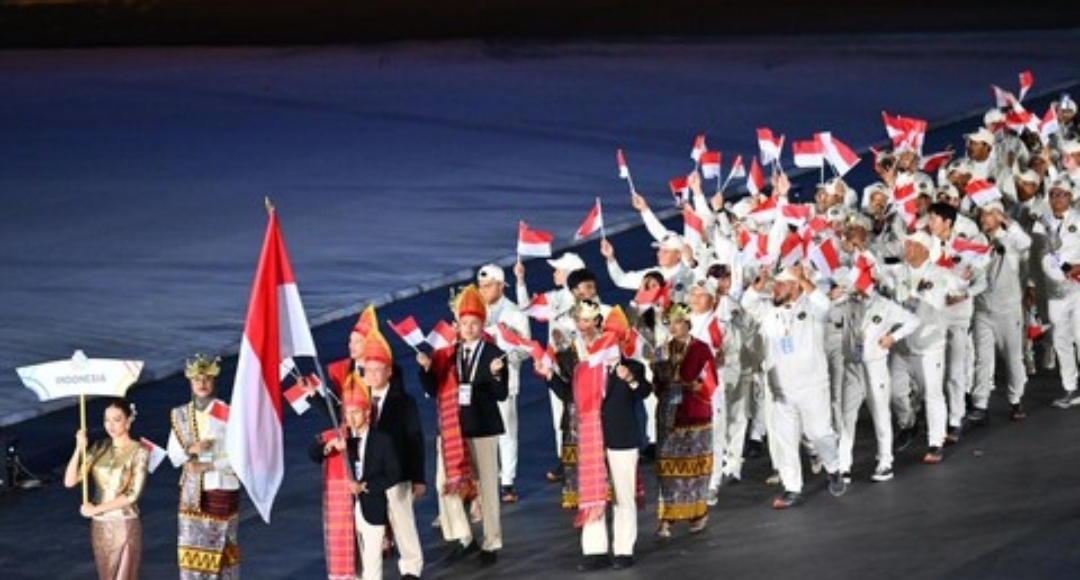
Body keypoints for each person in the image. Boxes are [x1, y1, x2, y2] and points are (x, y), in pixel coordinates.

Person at [543, 305, 651, 571]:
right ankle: (595, 551)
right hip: (592, 439)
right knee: (593, 495)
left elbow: (645, 392)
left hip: (621, 438)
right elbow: (570, 395)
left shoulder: (632, 366)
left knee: (623, 496)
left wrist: (631, 380)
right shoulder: (585, 369)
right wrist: (549, 377)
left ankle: (624, 550)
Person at [741, 265, 848, 508]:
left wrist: (803, 278)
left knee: (820, 434)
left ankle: (833, 468)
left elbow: (824, 304)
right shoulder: (770, 311)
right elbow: (749, 302)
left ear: (795, 286)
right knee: (786, 441)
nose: (774, 288)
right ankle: (792, 487)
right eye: (774, 284)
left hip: (813, 386)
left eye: (780, 284)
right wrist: (760, 282)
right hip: (782, 390)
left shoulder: (812, 309)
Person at [418, 284, 508, 566]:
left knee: (487, 487)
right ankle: (464, 536)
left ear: (482, 324)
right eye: (464, 323)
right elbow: (433, 389)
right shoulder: (446, 354)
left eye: (474, 323)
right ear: (457, 325)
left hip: (482, 429)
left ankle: (491, 542)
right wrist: (426, 370)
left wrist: (495, 376)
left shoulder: (493, 353)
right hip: (453, 430)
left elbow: (501, 394)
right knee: (448, 483)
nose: (468, 328)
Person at [310, 380, 400, 580]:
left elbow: (393, 473)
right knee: (352, 559)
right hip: (343, 509)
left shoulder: (382, 440)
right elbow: (313, 453)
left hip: (372, 505)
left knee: (372, 561)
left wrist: (365, 487)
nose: (350, 418)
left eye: (356, 413)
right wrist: (329, 447)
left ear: (367, 414)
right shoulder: (339, 437)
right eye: (347, 413)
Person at [166, 354, 241, 579]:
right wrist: (191, 450)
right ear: (190, 382)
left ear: (213, 380)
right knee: (194, 554)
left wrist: (209, 466)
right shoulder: (180, 415)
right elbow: (174, 455)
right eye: (197, 379)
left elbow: (240, 454)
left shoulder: (227, 412)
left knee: (221, 551)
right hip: (192, 492)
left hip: (221, 487)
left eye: (206, 378)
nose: (202, 383)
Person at [64, 398, 149, 580]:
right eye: (106, 420)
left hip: (124, 521)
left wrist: (96, 509)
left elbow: (132, 494)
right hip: (99, 526)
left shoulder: (139, 451)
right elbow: (70, 481)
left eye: (116, 419)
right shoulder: (99, 447)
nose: (110, 425)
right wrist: (79, 450)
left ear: (128, 420)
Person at [653, 302, 715, 533]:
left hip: (695, 413)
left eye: (679, 322)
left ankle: (698, 513)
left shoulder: (701, 349)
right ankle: (666, 517)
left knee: (695, 468)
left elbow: (710, 379)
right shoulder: (661, 351)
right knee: (667, 468)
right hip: (669, 415)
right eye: (671, 322)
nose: (674, 327)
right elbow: (656, 385)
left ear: (688, 323)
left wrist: (695, 386)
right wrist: (664, 378)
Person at [476, 263, 531, 503]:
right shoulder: (475, 312)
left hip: (505, 380)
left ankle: (507, 481)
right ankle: (483, 480)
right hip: (478, 381)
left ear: (500, 285)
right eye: (480, 287)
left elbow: (526, 350)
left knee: (507, 433)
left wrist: (508, 348)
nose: (483, 291)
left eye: (487, 286)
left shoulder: (514, 313)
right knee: (480, 433)